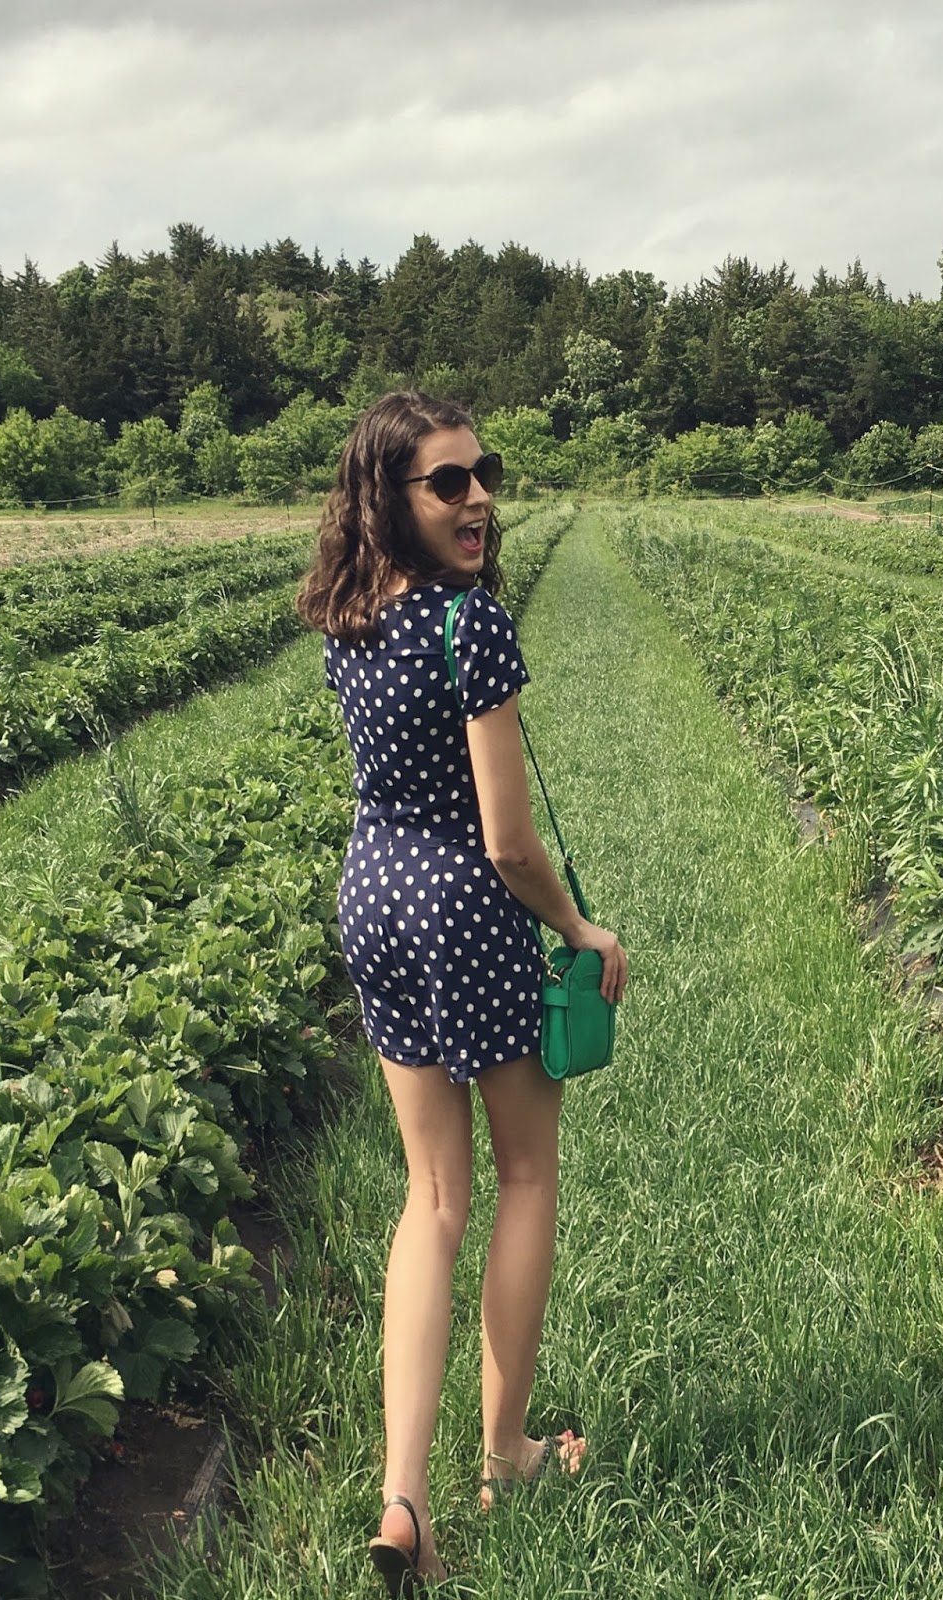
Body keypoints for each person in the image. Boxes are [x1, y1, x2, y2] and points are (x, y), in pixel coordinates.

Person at [296, 391, 627, 1592]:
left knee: (431, 1196)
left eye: (483, 472)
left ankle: (403, 1501)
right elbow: (506, 844)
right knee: (525, 1173)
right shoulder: (468, 628)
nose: (478, 495)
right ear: (393, 497)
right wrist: (584, 929)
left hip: (372, 895)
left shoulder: (350, 615)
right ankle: (505, 1452)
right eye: (447, 482)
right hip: (462, 907)